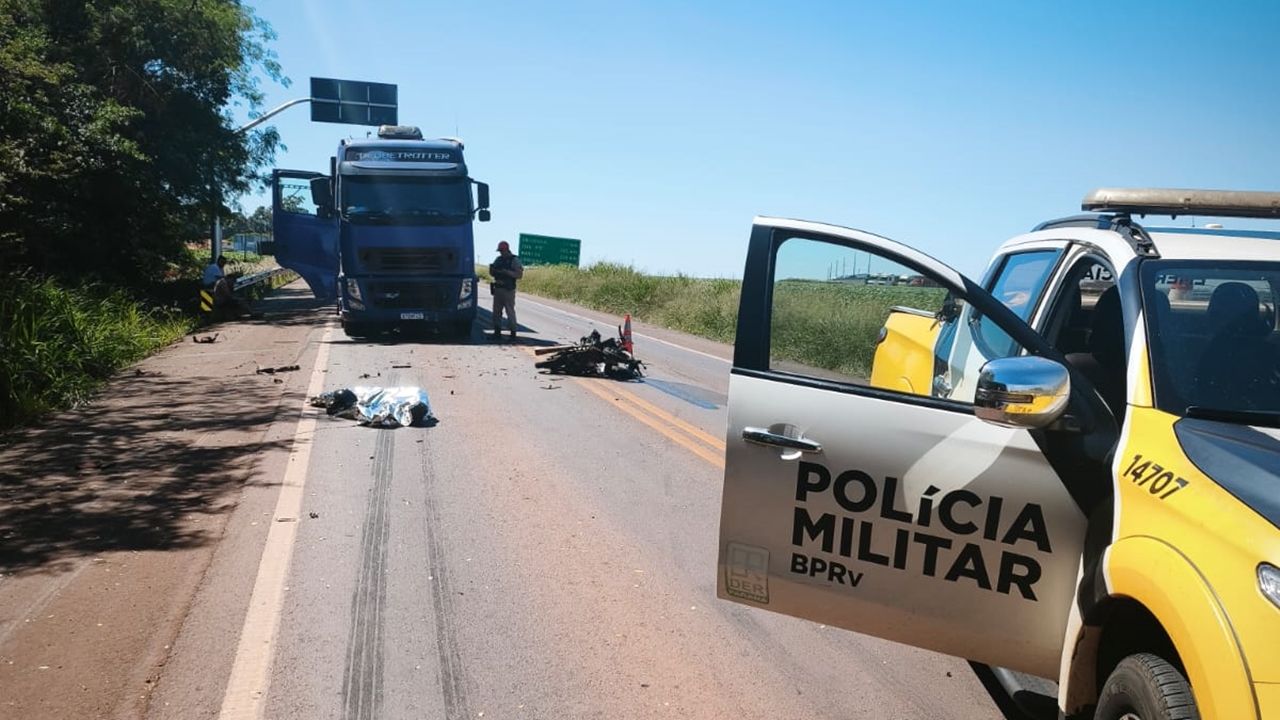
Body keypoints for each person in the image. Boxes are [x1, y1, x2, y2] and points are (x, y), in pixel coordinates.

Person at [489, 241, 524, 339]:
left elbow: (519, 275)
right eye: (500, 251)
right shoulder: (498, 260)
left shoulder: (514, 260)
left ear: (507, 250)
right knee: (496, 312)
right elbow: (493, 273)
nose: (501, 253)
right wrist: (492, 271)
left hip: (508, 290)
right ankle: (497, 332)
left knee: (510, 311)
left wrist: (506, 272)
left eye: (502, 251)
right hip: (498, 289)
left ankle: (513, 334)